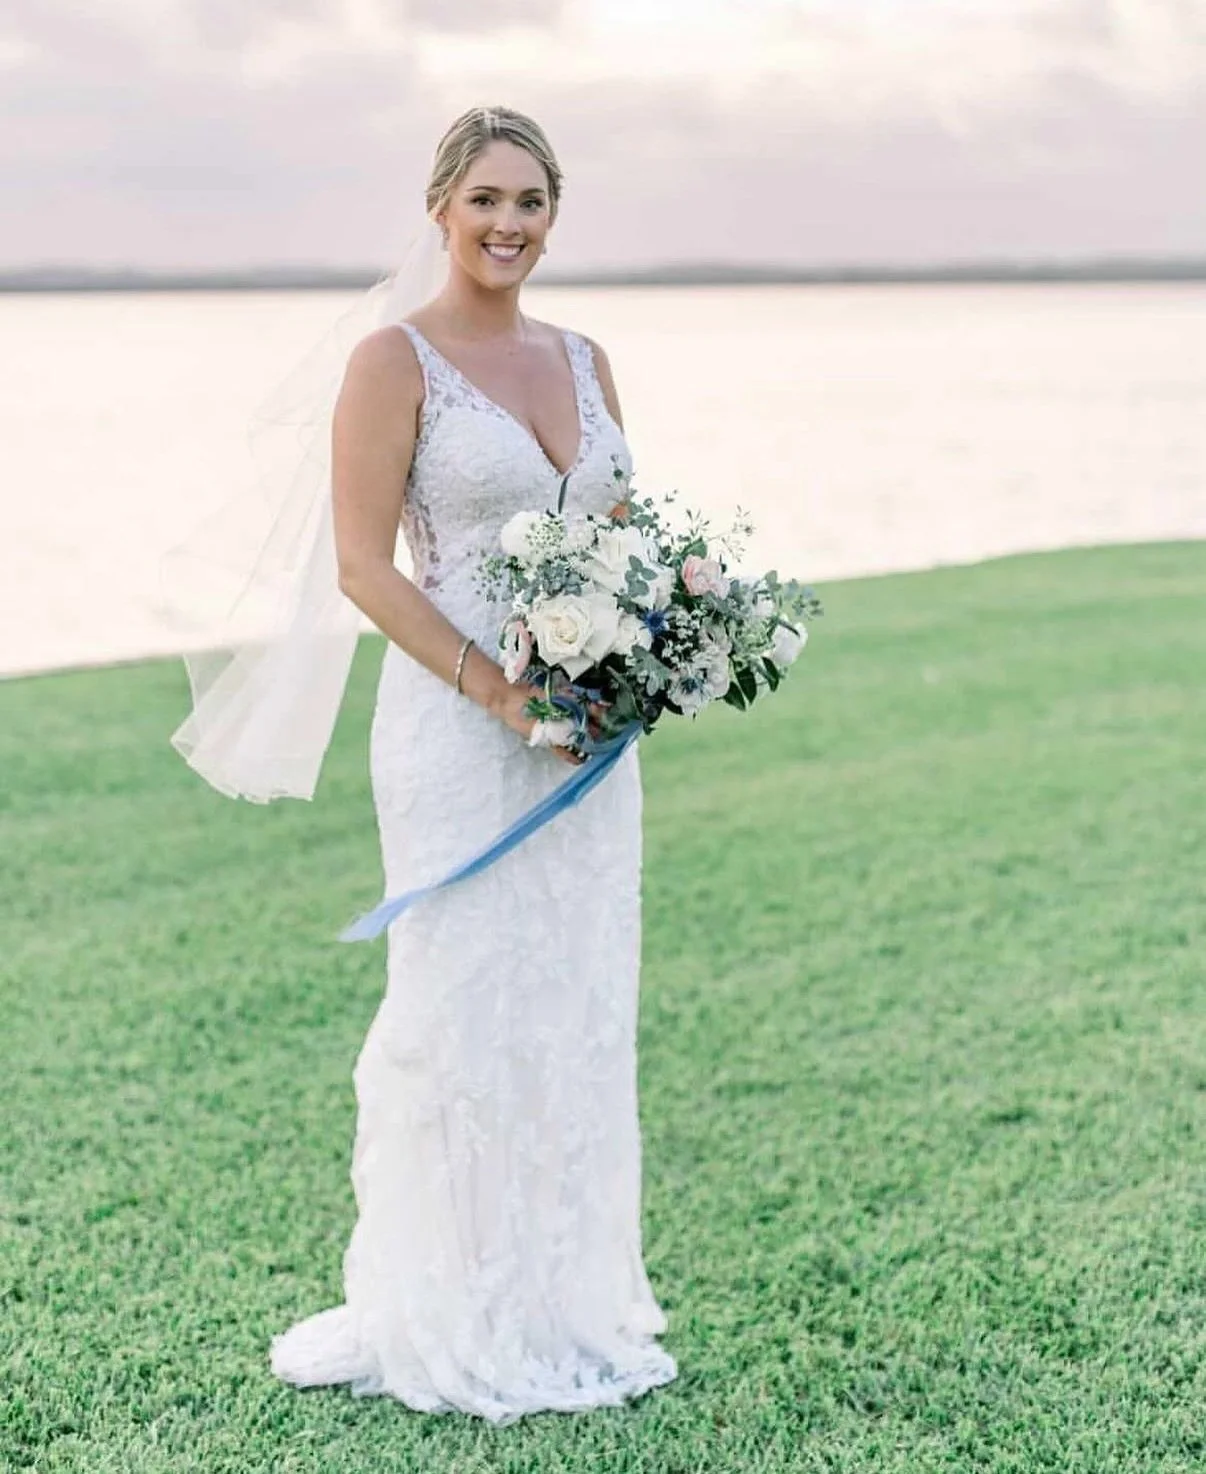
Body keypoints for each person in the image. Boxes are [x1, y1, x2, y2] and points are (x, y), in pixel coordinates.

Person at [266, 105, 678, 1423]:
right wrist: (496, 687)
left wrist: (651, 649)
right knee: (466, 1006)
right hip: (457, 729)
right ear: (440, 205)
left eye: (533, 202)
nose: (510, 225)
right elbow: (361, 567)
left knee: (571, 997)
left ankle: (559, 1293)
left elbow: (627, 539)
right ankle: (453, 1300)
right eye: (487, 199)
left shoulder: (588, 357)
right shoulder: (395, 362)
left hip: (586, 745)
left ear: (556, 215)